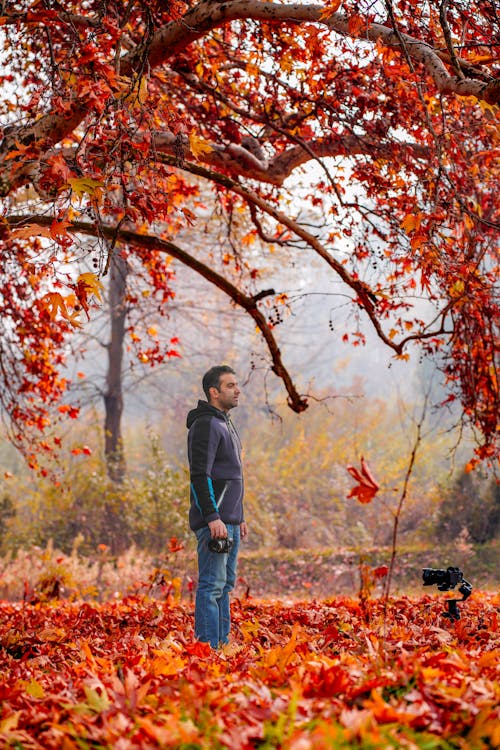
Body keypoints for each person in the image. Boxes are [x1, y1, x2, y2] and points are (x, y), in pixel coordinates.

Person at [186, 365, 248, 648]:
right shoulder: (206, 424)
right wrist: (212, 517)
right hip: (216, 523)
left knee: (225, 585)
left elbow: (232, 475)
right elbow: (201, 475)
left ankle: (221, 645)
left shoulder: (224, 423)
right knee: (211, 585)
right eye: (230, 386)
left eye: (237, 385)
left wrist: (239, 515)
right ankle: (207, 649)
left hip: (230, 521)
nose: (237, 391)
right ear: (214, 392)